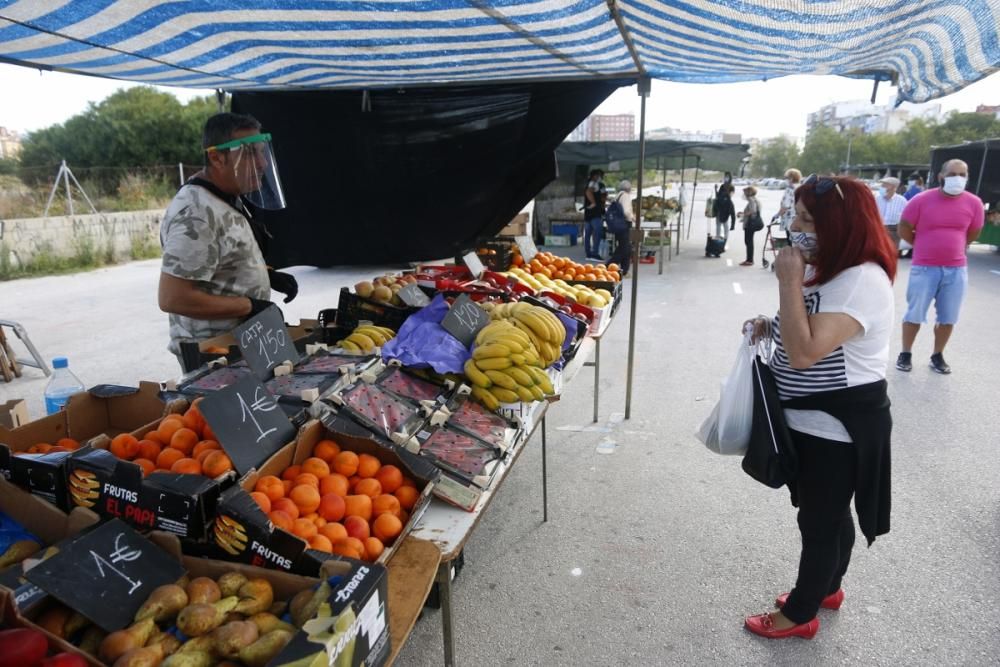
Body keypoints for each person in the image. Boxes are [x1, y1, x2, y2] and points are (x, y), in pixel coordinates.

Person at [742, 175, 897, 640]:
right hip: (810, 418)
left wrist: (789, 281)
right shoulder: (827, 269)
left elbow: (806, 352)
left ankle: (802, 612)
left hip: (838, 426)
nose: (796, 225)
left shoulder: (860, 278)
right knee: (826, 511)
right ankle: (828, 587)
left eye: (809, 218)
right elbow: (807, 327)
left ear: (841, 224)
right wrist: (773, 323)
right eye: (796, 213)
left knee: (819, 520)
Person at [158, 112, 297, 370]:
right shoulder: (196, 213)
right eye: (249, 153)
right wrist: (250, 305)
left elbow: (220, 259)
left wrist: (266, 276)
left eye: (262, 152)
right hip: (214, 354)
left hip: (241, 344)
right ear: (216, 157)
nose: (262, 163)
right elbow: (172, 298)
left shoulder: (224, 196)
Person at [895, 159, 984, 374]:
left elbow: (974, 232)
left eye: (963, 174)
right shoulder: (921, 200)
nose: (958, 178)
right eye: (953, 173)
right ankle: (905, 353)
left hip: (955, 270)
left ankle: (937, 355)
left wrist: (956, 247)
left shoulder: (974, 203)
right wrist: (922, 245)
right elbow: (904, 228)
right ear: (941, 177)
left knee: (948, 317)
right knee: (914, 313)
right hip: (924, 268)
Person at [875, 176, 907, 254]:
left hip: (894, 230)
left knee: (892, 253)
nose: (881, 187)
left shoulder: (902, 200)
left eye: (884, 185)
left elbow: (906, 217)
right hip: (878, 228)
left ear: (893, 187)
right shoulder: (876, 199)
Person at [608, 180, 634, 275]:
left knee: (626, 248)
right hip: (624, 224)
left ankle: (624, 270)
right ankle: (609, 266)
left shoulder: (618, 195)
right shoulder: (626, 196)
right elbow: (626, 211)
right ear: (629, 188)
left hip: (618, 225)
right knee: (624, 248)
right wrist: (633, 218)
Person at [583, 169, 607, 261]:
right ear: (595, 176)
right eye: (600, 176)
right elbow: (590, 192)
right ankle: (595, 254)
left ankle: (588, 254)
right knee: (597, 233)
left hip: (588, 213)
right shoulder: (596, 184)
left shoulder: (587, 183)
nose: (601, 178)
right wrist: (594, 202)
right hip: (596, 213)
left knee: (588, 234)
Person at [739, 185, 762, 266]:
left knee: (748, 241)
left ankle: (749, 260)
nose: (744, 194)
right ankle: (749, 259)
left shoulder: (751, 200)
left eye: (745, 192)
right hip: (751, 223)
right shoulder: (755, 200)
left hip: (750, 224)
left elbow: (753, 211)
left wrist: (743, 214)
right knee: (749, 241)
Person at [715, 172, 736, 237]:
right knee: (718, 224)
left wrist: (726, 191)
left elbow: (730, 196)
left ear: (730, 178)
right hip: (719, 206)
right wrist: (715, 189)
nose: (725, 178)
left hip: (727, 207)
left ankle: (725, 240)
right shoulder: (722, 186)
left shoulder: (731, 187)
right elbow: (718, 196)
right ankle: (718, 238)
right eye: (725, 176)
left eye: (727, 177)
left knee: (725, 224)